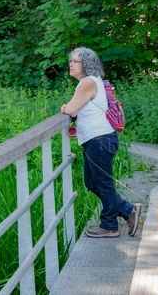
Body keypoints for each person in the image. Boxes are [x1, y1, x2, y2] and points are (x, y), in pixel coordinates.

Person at [60, 47, 141, 238]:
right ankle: (128, 210)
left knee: (103, 184)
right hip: (96, 140)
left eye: (75, 61)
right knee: (92, 183)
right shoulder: (89, 82)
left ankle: (110, 225)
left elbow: (71, 109)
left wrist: (65, 107)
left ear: (85, 64)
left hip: (99, 140)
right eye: (70, 61)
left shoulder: (88, 82)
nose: (70, 64)